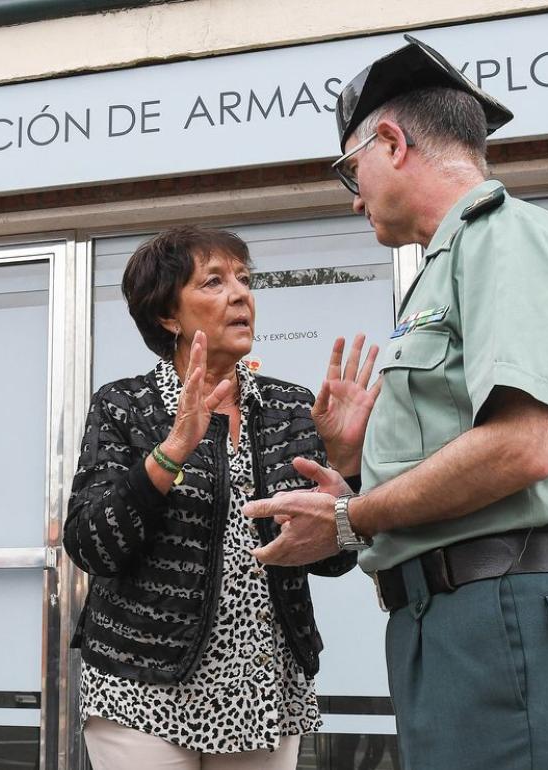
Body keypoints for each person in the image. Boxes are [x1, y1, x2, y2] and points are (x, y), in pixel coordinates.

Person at [245, 35, 548, 770]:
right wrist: (356, 465)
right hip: (462, 622)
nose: (354, 197)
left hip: (504, 616)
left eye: (350, 169)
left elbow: (521, 446)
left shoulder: (504, 239)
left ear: (391, 142)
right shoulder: (451, 261)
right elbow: (465, 451)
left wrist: (348, 517)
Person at [64, 225, 377, 769]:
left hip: (262, 684)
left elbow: (332, 560)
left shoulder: (291, 407)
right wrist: (172, 450)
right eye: (214, 282)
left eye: (244, 279)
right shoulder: (125, 406)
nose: (240, 295)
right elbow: (92, 545)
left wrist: (346, 467)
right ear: (168, 315)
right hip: (142, 685)